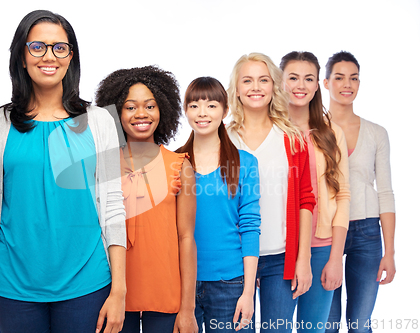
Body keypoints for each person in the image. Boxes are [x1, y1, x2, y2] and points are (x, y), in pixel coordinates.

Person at [0, 10, 127, 333]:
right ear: (21, 57)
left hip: (88, 282)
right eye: (37, 46)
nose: (49, 56)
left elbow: (114, 206)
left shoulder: (100, 121)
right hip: (11, 286)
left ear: (71, 56)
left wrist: (120, 290)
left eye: (60, 47)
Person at [95, 65, 198, 333]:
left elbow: (186, 238)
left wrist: (187, 309)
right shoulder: (102, 165)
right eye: (130, 107)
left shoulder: (179, 166)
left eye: (150, 106)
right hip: (113, 295)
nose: (141, 114)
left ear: (163, 109)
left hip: (165, 295)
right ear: (116, 113)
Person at [226, 52, 316, 333]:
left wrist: (304, 259)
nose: (255, 87)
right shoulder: (224, 139)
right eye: (248, 80)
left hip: (280, 258)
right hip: (235, 259)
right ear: (237, 90)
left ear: (274, 87)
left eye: (263, 80)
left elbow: (306, 200)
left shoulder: (291, 138)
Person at [176, 77, 261, 332]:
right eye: (194, 105)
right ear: (186, 111)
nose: (202, 113)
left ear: (225, 111)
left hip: (230, 285)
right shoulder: (173, 161)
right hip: (182, 283)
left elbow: (250, 227)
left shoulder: (245, 163)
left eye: (211, 105)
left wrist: (248, 292)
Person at [323, 51, 396, 333]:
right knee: (325, 324)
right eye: (339, 77)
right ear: (326, 83)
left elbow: (386, 193)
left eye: (353, 78)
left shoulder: (377, 133)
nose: (347, 84)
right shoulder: (314, 130)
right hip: (325, 232)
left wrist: (389, 251)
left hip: (367, 232)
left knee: (359, 325)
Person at [280, 51, 350, 332]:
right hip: (280, 249)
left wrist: (335, 258)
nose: (301, 85)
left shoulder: (332, 132)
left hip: (322, 248)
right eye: (293, 77)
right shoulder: (272, 131)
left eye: (309, 78)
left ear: (318, 84)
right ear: (280, 81)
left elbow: (343, 196)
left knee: (314, 329)